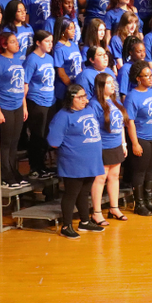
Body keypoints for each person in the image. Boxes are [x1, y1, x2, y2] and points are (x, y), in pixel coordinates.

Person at [47, 84, 105, 239]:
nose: (84, 100)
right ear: (70, 98)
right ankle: (66, 226)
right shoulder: (62, 116)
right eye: (80, 97)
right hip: (74, 162)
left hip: (91, 160)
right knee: (71, 194)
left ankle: (85, 221)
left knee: (84, 192)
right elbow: (53, 141)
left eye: (85, 96)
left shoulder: (89, 110)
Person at [123, 61, 152, 216]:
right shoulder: (132, 96)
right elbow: (130, 122)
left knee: (151, 170)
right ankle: (139, 204)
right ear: (138, 78)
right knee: (140, 171)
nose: (150, 78)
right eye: (146, 76)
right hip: (141, 137)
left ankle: (149, 202)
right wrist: (134, 143)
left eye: (151, 75)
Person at [0, 32, 29, 188]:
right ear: (4, 45)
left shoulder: (18, 59)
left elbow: (21, 86)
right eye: (13, 42)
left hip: (18, 106)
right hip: (4, 106)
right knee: (5, 144)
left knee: (15, 143)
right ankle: (5, 176)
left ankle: (14, 172)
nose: (17, 44)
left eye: (17, 41)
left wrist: (24, 106)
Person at [89, 72, 128, 223]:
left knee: (114, 177)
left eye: (113, 83)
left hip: (116, 144)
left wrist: (123, 143)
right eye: (109, 83)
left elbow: (121, 125)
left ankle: (114, 207)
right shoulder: (94, 104)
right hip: (102, 146)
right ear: (101, 86)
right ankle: (97, 212)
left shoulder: (115, 101)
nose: (113, 86)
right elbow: (93, 128)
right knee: (100, 178)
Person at [23, 31, 56, 179]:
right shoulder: (31, 60)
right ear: (38, 42)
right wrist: (24, 106)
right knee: (37, 136)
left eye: (51, 41)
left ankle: (42, 166)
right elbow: (25, 84)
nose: (50, 44)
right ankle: (35, 167)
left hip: (50, 101)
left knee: (45, 136)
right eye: (47, 41)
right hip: (36, 101)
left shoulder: (49, 58)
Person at [52, 17, 83, 102]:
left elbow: (79, 65)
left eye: (74, 28)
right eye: (70, 29)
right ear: (63, 30)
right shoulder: (59, 48)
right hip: (65, 90)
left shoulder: (74, 45)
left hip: (76, 85)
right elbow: (61, 73)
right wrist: (72, 87)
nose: (74, 31)